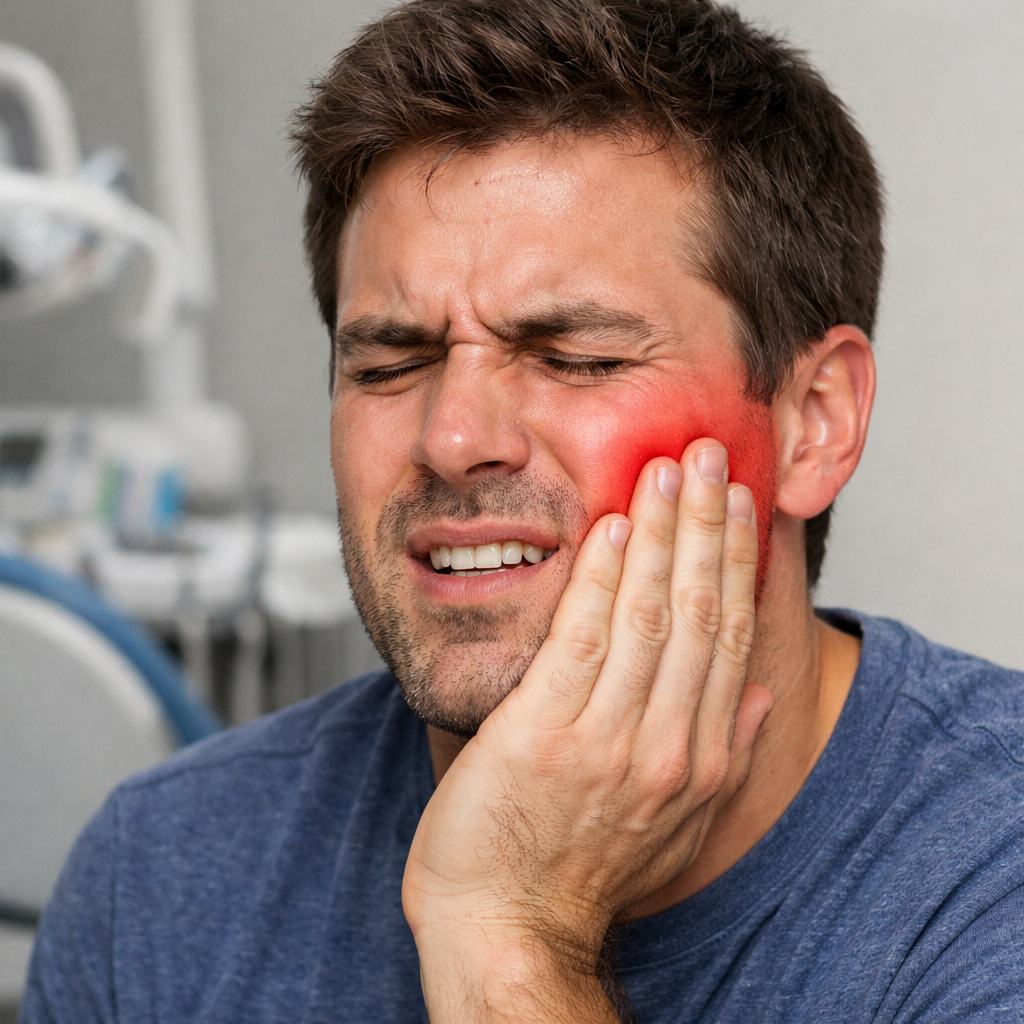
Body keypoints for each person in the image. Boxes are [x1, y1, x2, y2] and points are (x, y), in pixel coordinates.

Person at [20, 0, 1024, 1021]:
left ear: (812, 423)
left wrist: (508, 932)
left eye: (575, 357)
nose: (452, 437)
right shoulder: (153, 881)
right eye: (389, 364)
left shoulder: (992, 871)